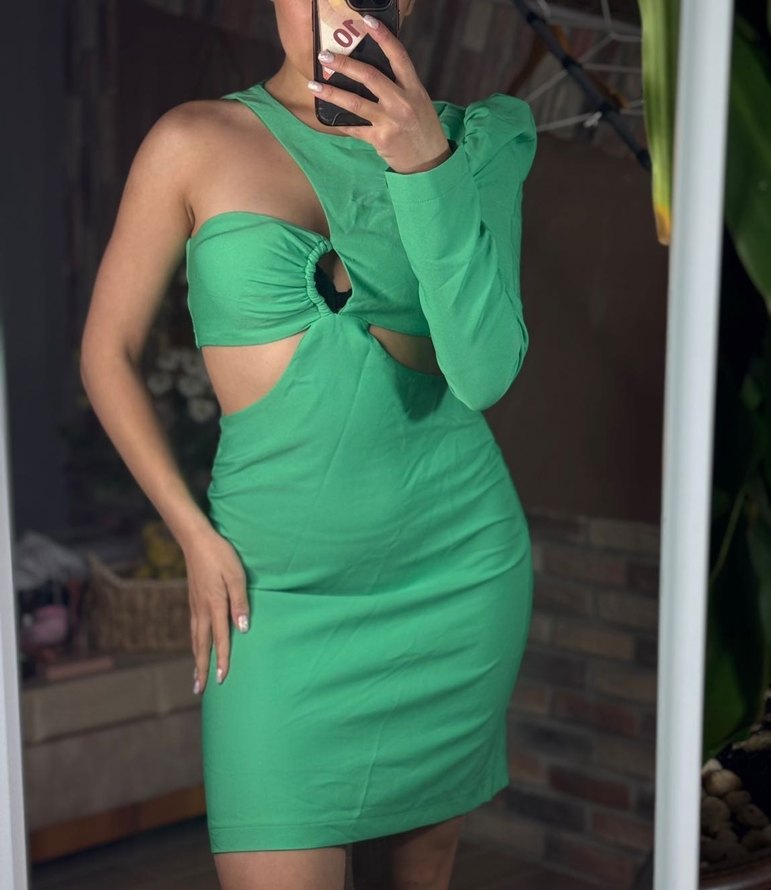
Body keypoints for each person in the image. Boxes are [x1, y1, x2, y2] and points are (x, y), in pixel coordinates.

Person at [79, 1, 538, 888]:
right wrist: (191, 533)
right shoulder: (192, 141)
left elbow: (483, 374)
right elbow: (108, 353)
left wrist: (424, 164)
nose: (332, 11)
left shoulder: (474, 145)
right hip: (273, 596)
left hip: (453, 574)